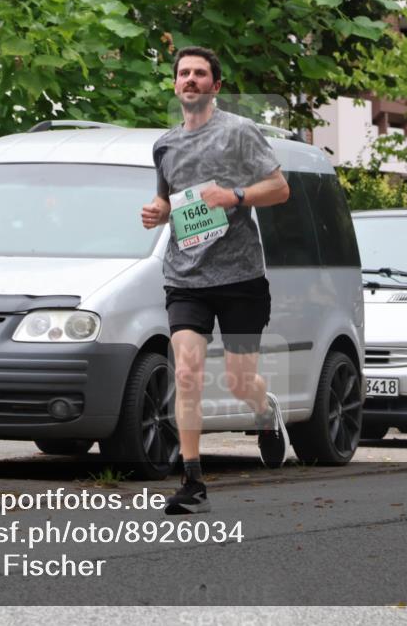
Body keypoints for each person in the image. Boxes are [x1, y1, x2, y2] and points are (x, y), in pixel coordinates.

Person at [140, 46, 291, 515]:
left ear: (216, 85)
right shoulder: (164, 145)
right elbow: (167, 201)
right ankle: (192, 480)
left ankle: (265, 413)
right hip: (185, 275)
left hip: (241, 275)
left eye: (200, 74)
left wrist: (235, 194)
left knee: (239, 381)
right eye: (183, 73)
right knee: (186, 373)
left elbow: (281, 188)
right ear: (174, 85)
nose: (190, 80)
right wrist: (157, 211)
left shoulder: (240, 133)